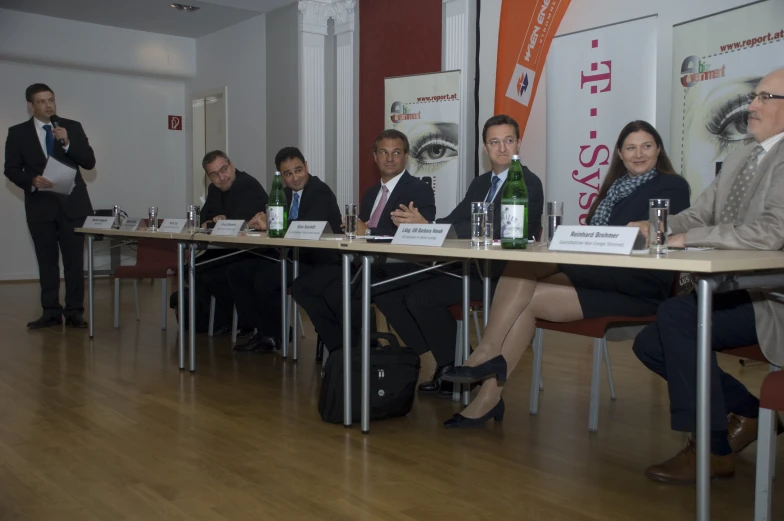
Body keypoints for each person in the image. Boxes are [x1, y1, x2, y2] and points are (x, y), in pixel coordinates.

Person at [439, 120, 691, 427]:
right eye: (631, 148)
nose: (639, 154)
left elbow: (668, 229)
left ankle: (487, 355)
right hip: (600, 274)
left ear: (659, 150)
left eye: (646, 146)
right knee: (523, 280)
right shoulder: (613, 188)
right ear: (620, 154)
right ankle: (488, 394)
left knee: (524, 267)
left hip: (637, 283)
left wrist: (651, 227)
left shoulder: (671, 185)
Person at [631, 68, 784, 484]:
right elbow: (698, 215)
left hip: (769, 298)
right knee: (650, 343)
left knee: (677, 317)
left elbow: (772, 233)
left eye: (765, 97)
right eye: (753, 96)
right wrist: (652, 227)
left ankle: (711, 449)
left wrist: (686, 238)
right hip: (732, 288)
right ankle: (749, 410)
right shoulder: (739, 156)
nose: (752, 105)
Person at [373, 115, 544, 396]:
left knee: (420, 296)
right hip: (466, 266)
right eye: (494, 142)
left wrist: (430, 226)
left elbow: (502, 227)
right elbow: (455, 220)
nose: (502, 148)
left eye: (508, 140)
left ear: (518, 144)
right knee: (388, 284)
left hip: (502, 275)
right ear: (485, 148)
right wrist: (425, 224)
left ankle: (455, 366)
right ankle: (426, 355)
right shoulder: (480, 184)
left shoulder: (528, 182)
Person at [292, 129, 436, 352]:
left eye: (396, 152)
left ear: (406, 156)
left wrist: (367, 232)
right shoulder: (371, 193)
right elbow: (363, 232)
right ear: (374, 156)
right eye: (383, 152)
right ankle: (341, 349)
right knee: (303, 286)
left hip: (395, 266)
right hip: (360, 264)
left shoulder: (420, 190)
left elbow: (418, 237)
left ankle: (362, 350)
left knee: (337, 293)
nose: (389, 158)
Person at [228, 147, 342, 352]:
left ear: (306, 167)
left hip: (318, 260)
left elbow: (307, 228)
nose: (295, 178)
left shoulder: (320, 191)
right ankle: (264, 329)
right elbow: (275, 221)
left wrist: (272, 224)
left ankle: (273, 335)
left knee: (266, 279)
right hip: (291, 257)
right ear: (282, 176)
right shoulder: (284, 194)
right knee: (237, 271)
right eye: (288, 174)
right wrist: (260, 221)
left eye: (298, 170)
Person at [4, 83, 96, 329]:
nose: (49, 105)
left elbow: (88, 161)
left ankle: (75, 311)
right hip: (40, 206)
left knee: (74, 262)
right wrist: (31, 180)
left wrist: (67, 144)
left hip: (72, 205)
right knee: (47, 262)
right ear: (30, 106)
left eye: (51, 100)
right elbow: (10, 169)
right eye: (42, 101)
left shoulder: (71, 127)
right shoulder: (17, 133)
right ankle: (50, 312)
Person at [196, 151, 268, 333]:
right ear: (209, 178)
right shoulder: (214, 190)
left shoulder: (247, 185)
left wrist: (214, 222)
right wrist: (214, 221)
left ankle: (243, 321)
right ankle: (219, 320)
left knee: (210, 270)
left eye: (224, 169)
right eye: (214, 174)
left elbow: (239, 223)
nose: (221, 177)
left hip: (253, 251)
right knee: (194, 267)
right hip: (228, 249)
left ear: (232, 165)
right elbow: (201, 221)